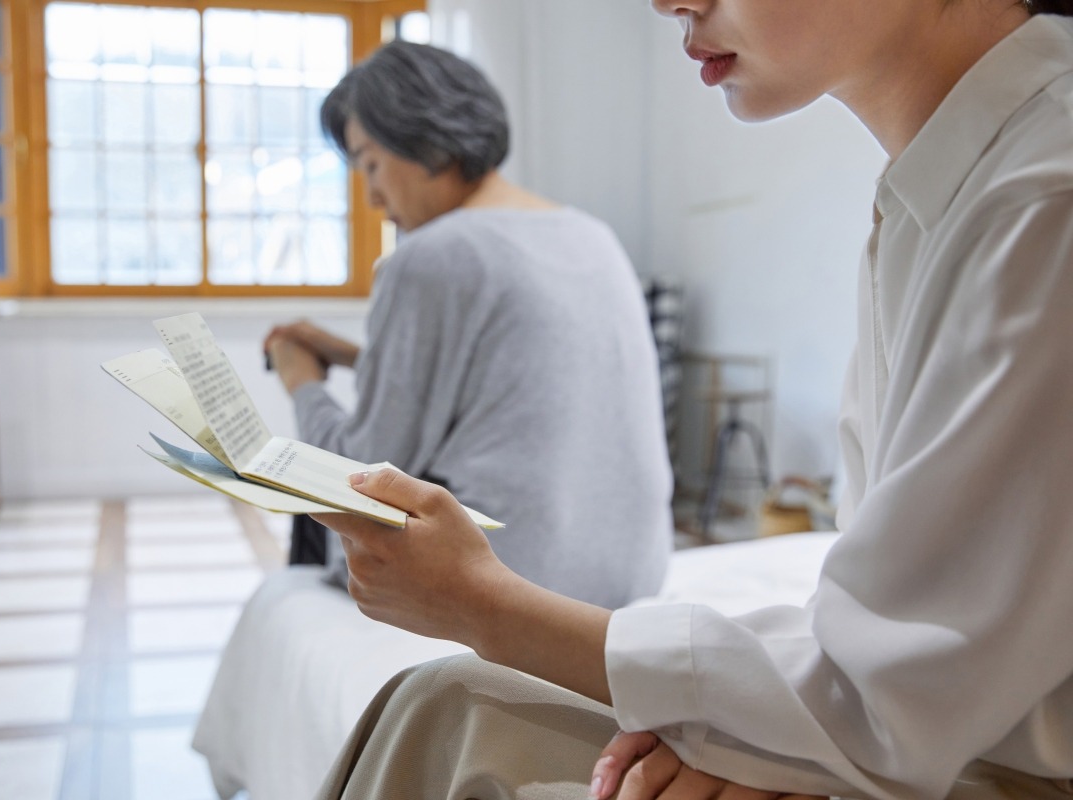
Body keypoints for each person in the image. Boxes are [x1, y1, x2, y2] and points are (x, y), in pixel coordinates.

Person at [308, 2, 1073, 799]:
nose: (666, 1)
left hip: (976, 760)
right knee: (447, 705)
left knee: (450, 724)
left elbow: (896, 696)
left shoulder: (1042, 200)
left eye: (369, 164)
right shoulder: (933, 195)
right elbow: (894, 631)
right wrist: (766, 738)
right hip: (928, 732)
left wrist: (486, 606)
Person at [263, 41, 673, 609]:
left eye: (372, 163)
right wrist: (355, 355)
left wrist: (300, 378)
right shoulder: (589, 233)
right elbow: (509, 373)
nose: (372, 196)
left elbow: (360, 474)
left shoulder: (433, 255)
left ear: (426, 138)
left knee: (315, 506)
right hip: (631, 574)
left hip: (510, 579)